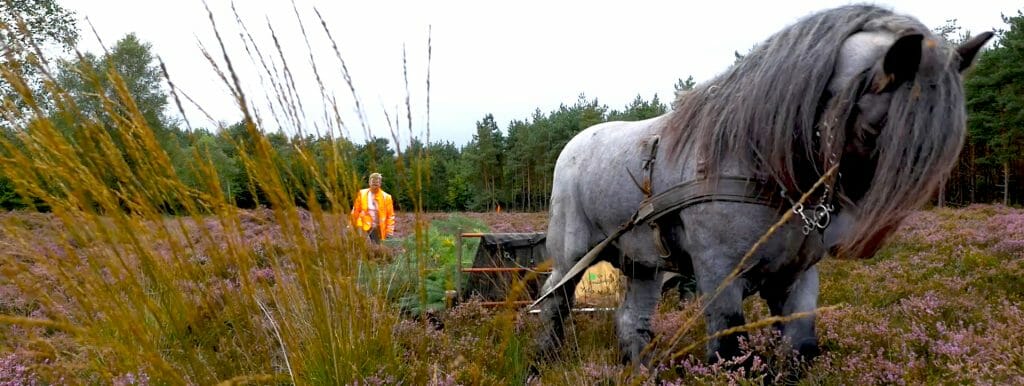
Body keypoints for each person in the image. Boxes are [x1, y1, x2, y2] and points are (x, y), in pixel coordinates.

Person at [350, 172, 395, 244]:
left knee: (376, 246)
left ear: (380, 183)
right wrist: (351, 224)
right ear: (369, 182)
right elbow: (355, 210)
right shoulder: (362, 193)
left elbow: (390, 216)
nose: (375, 184)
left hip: (377, 227)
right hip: (362, 224)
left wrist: (389, 231)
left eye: (377, 182)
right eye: (373, 182)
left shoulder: (386, 197)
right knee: (361, 244)